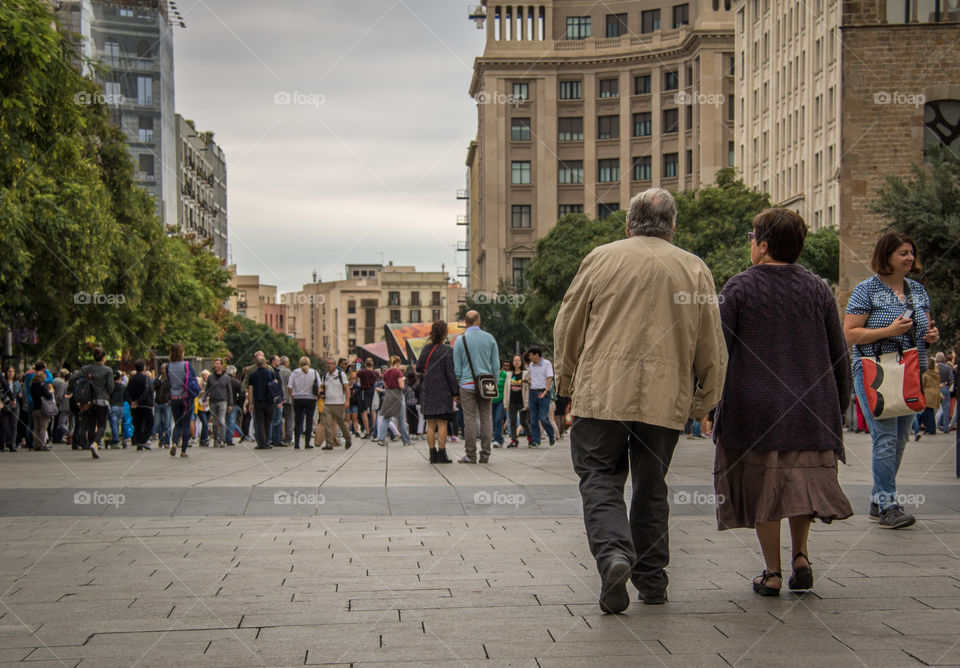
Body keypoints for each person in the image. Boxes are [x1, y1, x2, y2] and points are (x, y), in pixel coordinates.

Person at [554, 188, 727, 613]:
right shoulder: (694, 268)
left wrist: (565, 386)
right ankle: (652, 581)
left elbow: (568, 325)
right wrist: (705, 400)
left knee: (599, 476)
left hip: (602, 392)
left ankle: (614, 555)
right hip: (665, 398)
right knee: (652, 488)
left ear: (628, 224)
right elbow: (712, 343)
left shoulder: (601, 257)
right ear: (674, 227)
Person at [712, 209, 853, 597]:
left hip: (754, 409)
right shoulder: (818, 288)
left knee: (764, 488)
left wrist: (707, 402)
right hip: (812, 407)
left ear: (763, 245)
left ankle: (771, 572)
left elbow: (718, 350)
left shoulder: (738, 288)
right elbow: (838, 352)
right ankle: (801, 557)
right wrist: (839, 404)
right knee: (801, 484)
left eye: (752, 236)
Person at [844, 231, 938, 529]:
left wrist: (931, 336)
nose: (910, 258)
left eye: (911, 252)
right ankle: (888, 504)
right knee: (884, 439)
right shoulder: (866, 290)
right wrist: (889, 331)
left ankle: (878, 499)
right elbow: (850, 334)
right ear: (886, 257)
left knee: (898, 441)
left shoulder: (917, 291)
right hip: (875, 371)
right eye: (903, 253)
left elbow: (922, 327)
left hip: (910, 372)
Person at [452, 310, 500, 464]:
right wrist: (494, 383)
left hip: (466, 385)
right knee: (486, 419)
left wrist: (458, 385)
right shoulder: (490, 338)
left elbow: (457, 368)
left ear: (466, 323)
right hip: (486, 384)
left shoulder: (460, 340)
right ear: (479, 321)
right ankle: (485, 454)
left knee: (470, 420)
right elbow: (495, 364)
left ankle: (470, 455)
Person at [416, 321, 457, 464]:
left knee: (431, 424)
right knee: (442, 423)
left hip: (427, 389)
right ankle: (442, 453)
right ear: (445, 333)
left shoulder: (426, 349)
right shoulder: (448, 350)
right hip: (443, 390)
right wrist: (455, 391)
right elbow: (450, 373)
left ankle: (432, 454)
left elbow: (419, 368)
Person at [81, 347, 115, 459]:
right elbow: (110, 387)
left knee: (91, 425)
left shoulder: (86, 369)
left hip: (89, 400)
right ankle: (95, 443)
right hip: (102, 400)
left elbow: (77, 379)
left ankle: (91, 443)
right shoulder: (108, 370)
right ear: (104, 358)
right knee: (101, 425)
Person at [166, 343, 198, 458]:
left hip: (174, 398)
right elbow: (193, 379)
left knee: (177, 423)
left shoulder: (168, 366)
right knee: (186, 424)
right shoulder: (186, 364)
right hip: (186, 398)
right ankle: (183, 450)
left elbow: (169, 381)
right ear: (181, 352)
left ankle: (174, 442)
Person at [287, 356, 321, 449]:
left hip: (298, 398)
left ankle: (297, 443)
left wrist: (292, 396)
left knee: (298, 421)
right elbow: (319, 386)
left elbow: (289, 387)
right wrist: (317, 396)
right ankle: (307, 443)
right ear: (309, 363)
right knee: (309, 420)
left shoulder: (295, 372)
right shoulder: (314, 372)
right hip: (311, 399)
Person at [376, 356, 409, 447]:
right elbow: (401, 386)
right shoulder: (398, 372)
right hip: (397, 395)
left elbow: (386, 386)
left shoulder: (386, 373)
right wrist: (403, 381)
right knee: (401, 419)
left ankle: (381, 439)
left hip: (388, 395)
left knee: (386, 418)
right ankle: (406, 440)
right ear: (398, 362)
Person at [526, 347, 555, 447]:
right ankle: (536, 440)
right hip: (533, 392)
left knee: (543, 417)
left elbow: (549, 378)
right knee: (533, 418)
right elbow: (529, 377)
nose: (529, 357)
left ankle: (551, 435)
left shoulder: (547, 364)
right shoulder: (531, 365)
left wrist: (546, 391)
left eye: (531, 355)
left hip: (543, 392)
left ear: (536, 355)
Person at [321, 357, 352, 450]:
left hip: (338, 403)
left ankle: (348, 438)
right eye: (327, 364)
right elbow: (323, 387)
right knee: (327, 423)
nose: (328, 365)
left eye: (330, 364)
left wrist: (347, 401)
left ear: (335, 365)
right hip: (327, 403)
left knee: (341, 423)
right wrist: (320, 390)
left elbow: (347, 388)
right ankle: (329, 443)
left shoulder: (341, 374)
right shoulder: (325, 375)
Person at [246, 355, 276, 450]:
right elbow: (275, 385)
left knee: (260, 423)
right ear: (265, 363)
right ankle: (267, 442)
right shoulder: (271, 373)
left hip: (258, 401)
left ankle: (261, 443)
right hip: (269, 401)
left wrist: (250, 403)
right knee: (268, 422)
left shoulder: (253, 375)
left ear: (256, 364)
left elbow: (250, 390)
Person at [124, 360, 154, 451]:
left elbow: (127, 391)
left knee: (138, 424)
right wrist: (139, 401)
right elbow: (146, 391)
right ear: (144, 367)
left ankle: (139, 442)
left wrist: (132, 402)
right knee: (150, 422)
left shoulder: (132, 378)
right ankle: (143, 440)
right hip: (145, 404)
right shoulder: (146, 378)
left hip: (135, 406)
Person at [205, 359, 232, 448]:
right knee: (215, 423)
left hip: (223, 401)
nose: (215, 365)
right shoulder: (210, 377)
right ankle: (216, 439)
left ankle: (222, 440)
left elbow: (229, 391)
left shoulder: (226, 378)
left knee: (222, 421)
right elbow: (207, 389)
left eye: (217, 364)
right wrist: (204, 399)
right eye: (215, 363)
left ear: (221, 366)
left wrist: (230, 404)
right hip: (213, 401)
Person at [30, 362, 55, 452]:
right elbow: (48, 395)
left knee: (36, 428)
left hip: (34, 408)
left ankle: (36, 444)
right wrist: (51, 391)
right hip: (43, 408)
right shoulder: (42, 385)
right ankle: (42, 444)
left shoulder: (32, 385)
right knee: (43, 428)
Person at [506, 355, 529, 448]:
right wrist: (505, 403)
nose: (516, 362)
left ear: (521, 362)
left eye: (518, 360)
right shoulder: (509, 374)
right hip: (512, 401)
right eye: (514, 360)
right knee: (512, 421)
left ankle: (530, 437)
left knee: (523, 421)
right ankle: (514, 440)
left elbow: (527, 389)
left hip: (522, 401)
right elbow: (506, 389)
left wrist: (527, 403)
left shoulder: (526, 373)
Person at [357, 358, 378, 438]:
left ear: (365, 364)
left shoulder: (362, 372)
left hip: (364, 392)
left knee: (364, 412)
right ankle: (375, 431)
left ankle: (367, 432)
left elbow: (355, 376)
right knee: (373, 412)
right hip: (373, 391)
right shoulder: (375, 373)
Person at [0, 367, 19, 452]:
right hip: (4, 405)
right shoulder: (3, 381)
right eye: (9, 371)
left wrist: (14, 399)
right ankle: (3, 444)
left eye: (12, 371)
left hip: (14, 405)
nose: (11, 373)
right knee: (4, 426)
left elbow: (18, 393)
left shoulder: (16, 383)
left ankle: (12, 444)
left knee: (13, 426)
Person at [935, 352, 954, 432]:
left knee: (935, 408)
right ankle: (945, 427)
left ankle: (937, 425)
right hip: (945, 387)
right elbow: (951, 379)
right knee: (946, 408)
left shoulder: (934, 368)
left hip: (935, 388)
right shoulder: (947, 367)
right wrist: (948, 385)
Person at [491, 360, 508, 448]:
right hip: (492, 400)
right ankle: (497, 438)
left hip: (502, 400)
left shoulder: (505, 374)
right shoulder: (491, 374)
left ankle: (499, 439)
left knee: (498, 419)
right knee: (494, 420)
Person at [154, 364, 172, 448]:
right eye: (162, 368)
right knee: (157, 423)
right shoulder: (157, 379)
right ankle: (161, 438)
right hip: (158, 403)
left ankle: (167, 442)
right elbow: (152, 389)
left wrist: (169, 401)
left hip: (166, 404)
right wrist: (153, 402)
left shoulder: (170, 379)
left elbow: (173, 390)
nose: (163, 370)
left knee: (167, 423)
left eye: (165, 368)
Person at [108, 370, 126, 449]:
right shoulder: (123, 386)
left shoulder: (111, 386)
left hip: (113, 405)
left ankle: (115, 439)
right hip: (121, 406)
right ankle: (118, 437)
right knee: (118, 423)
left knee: (113, 424)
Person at [278, 356, 294, 445]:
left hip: (278, 398)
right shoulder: (288, 372)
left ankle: (278, 437)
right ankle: (288, 438)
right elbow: (290, 385)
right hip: (288, 398)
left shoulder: (275, 371)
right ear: (286, 363)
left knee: (278, 418)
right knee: (289, 419)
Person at [404, 369, 420, 440]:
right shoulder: (417, 385)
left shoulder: (406, 386)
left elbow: (404, 394)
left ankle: (411, 433)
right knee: (416, 419)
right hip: (416, 403)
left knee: (410, 419)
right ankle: (415, 433)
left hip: (408, 404)